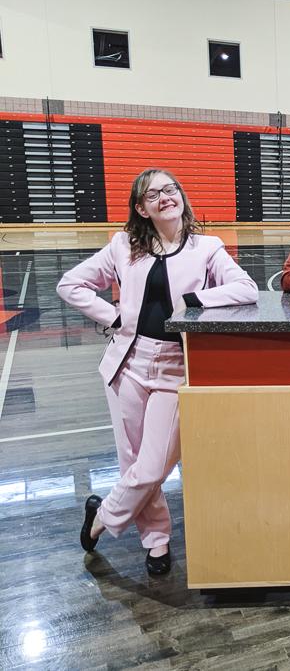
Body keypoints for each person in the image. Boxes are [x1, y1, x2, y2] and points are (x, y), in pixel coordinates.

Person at [57, 169, 259, 575]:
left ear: (180, 196)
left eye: (170, 189)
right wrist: (111, 316)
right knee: (133, 463)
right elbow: (70, 284)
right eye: (153, 194)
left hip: (175, 367)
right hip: (126, 365)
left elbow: (246, 288)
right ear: (141, 208)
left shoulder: (207, 247)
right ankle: (156, 541)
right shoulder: (122, 246)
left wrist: (194, 298)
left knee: (152, 466)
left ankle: (100, 518)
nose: (165, 197)